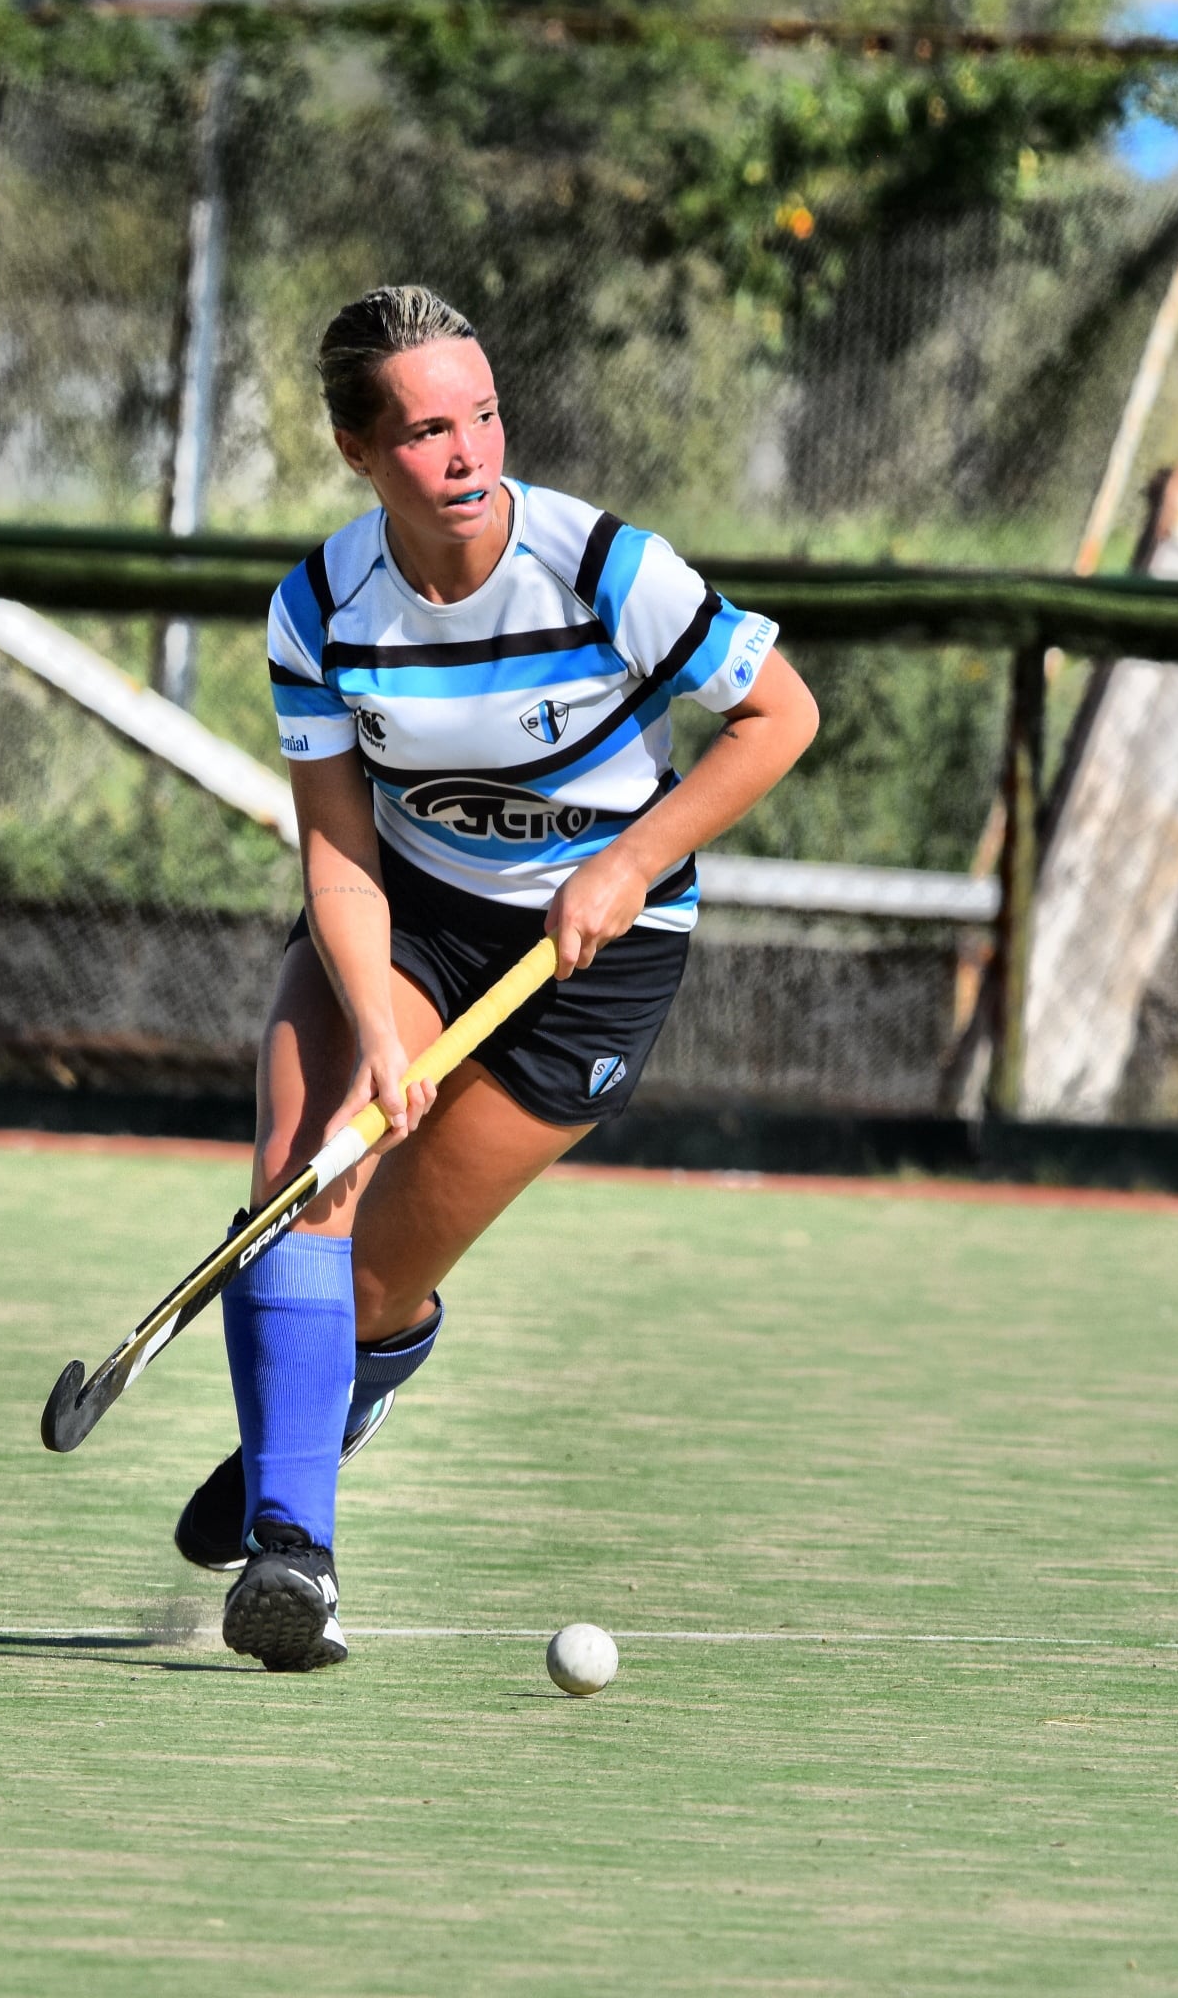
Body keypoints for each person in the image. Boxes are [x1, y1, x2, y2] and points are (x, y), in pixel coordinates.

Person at [181, 284, 820, 1673]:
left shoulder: (606, 570)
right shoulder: (320, 611)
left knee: (370, 1295)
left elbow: (781, 716)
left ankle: (330, 1400)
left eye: (480, 416)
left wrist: (628, 860)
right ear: (360, 452)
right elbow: (340, 856)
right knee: (310, 1165)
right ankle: (297, 1560)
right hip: (408, 910)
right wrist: (377, 1035)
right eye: (423, 430)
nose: (465, 454)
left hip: (598, 959)